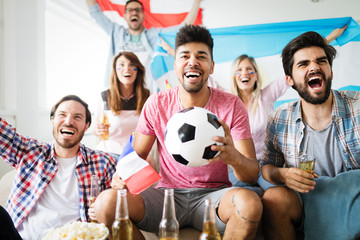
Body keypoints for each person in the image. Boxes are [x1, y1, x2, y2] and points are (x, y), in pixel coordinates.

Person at [94, 25, 263, 240]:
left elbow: (250, 175)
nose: (192, 62)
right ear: (175, 66)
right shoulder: (157, 103)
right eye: (185, 56)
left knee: (250, 203)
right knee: (105, 203)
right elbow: (135, 159)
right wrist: (123, 177)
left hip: (214, 196)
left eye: (201, 56)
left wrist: (235, 158)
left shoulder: (231, 105)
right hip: (166, 197)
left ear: (211, 66)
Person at [260, 30, 360, 239]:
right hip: (307, 201)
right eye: (303, 64)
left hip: (355, 198)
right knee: (274, 197)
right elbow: (267, 168)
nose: (314, 67)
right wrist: (283, 175)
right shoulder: (279, 118)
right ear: (289, 79)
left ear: (330, 70)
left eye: (321, 61)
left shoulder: (358, 106)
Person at [228, 26, 347, 187]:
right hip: (241, 167)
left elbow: (300, 68)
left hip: (264, 166)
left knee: (276, 196)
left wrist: (330, 38)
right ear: (234, 77)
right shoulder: (228, 101)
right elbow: (206, 81)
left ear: (256, 75)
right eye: (239, 70)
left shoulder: (266, 95)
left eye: (249, 70)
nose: (244, 73)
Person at [0, 95, 117, 240]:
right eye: (62, 115)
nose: (68, 122)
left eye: (77, 117)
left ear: (86, 126)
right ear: (52, 120)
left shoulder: (104, 162)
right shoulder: (29, 152)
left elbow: (120, 202)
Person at [85, 0, 202, 92]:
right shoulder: (116, 32)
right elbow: (95, 12)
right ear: (125, 15)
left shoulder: (155, 35)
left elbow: (183, 27)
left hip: (146, 91)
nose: (134, 12)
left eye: (137, 10)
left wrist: (197, 2)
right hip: (118, 92)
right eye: (130, 10)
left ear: (143, 15)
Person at [93, 51, 150, 160]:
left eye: (132, 65)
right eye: (121, 65)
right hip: (108, 154)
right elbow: (96, 130)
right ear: (115, 70)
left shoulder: (148, 96)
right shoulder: (104, 97)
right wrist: (97, 129)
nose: (127, 68)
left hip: (137, 155)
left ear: (138, 70)